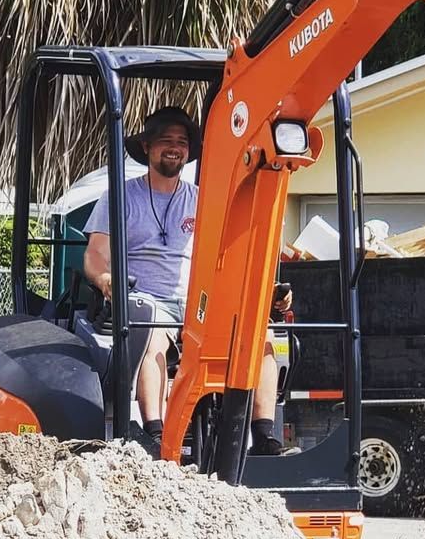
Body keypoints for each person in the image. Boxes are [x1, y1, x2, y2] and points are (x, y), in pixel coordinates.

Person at [83, 105, 292, 455]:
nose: (174, 147)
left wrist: (268, 292)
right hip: (146, 299)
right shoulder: (120, 197)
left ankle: (265, 436)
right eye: (165, 140)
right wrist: (106, 279)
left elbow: (232, 255)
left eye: (181, 142)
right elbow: (95, 254)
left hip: (200, 302)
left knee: (261, 336)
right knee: (153, 336)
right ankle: (155, 435)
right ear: (147, 147)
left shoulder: (204, 202)